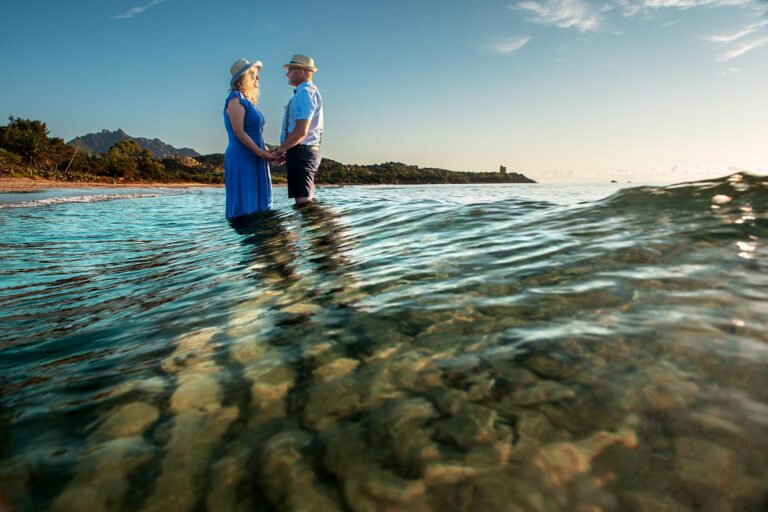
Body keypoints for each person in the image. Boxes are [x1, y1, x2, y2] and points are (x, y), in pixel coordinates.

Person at [223, 58, 277, 218]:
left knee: (260, 209)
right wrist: (261, 153)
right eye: (253, 74)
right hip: (242, 155)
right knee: (247, 207)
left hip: (254, 155)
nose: (257, 78)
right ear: (243, 78)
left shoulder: (248, 102)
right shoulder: (235, 98)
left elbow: (255, 135)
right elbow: (239, 132)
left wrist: (270, 154)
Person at [275, 54, 324, 206]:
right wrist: (287, 151)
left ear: (301, 71)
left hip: (302, 153)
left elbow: (301, 131)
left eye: (290, 70)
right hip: (303, 151)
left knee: (304, 205)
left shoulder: (304, 94)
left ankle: (336, 229)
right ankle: (331, 228)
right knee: (306, 202)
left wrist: (280, 150)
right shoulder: (308, 92)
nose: (287, 74)